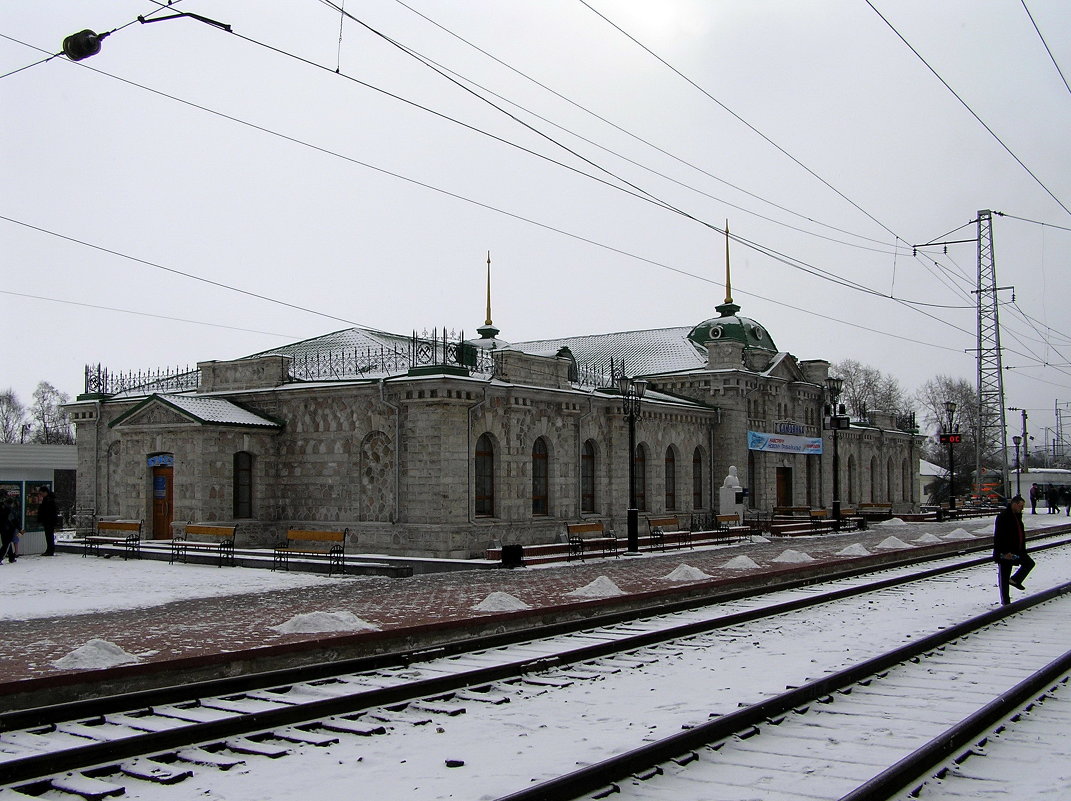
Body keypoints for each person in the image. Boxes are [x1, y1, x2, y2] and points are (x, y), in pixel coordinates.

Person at [993, 495, 1035, 606]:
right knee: (1004, 576)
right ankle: (1006, 602)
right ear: (1015, 504)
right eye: (1021, 506)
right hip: (1005, 553)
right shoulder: (1004, 517)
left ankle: (1015, 580)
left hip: (1017, 552)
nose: (1022, 509)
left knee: (1029, 563)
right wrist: (1004, 552)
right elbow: (999, 537)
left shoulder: (1017, 516)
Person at [36, 485, 59, 556]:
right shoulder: (50, 499)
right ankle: (50, 549)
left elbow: (47, 511)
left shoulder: (48, 500)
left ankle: (50, 550)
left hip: (49, 521)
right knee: (49, 536)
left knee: (49, 536)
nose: (41, 495)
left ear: (45, 492)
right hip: (49, 521)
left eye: (41, 493)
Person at [0, 495, 20, 563]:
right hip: (9, 529)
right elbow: (14, 520)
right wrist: (20, 529)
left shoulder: (3, 509)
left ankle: (11, 557)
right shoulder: (10, 510)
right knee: (6, 545)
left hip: (3, 528)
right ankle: (0, 557)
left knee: (7, 544)